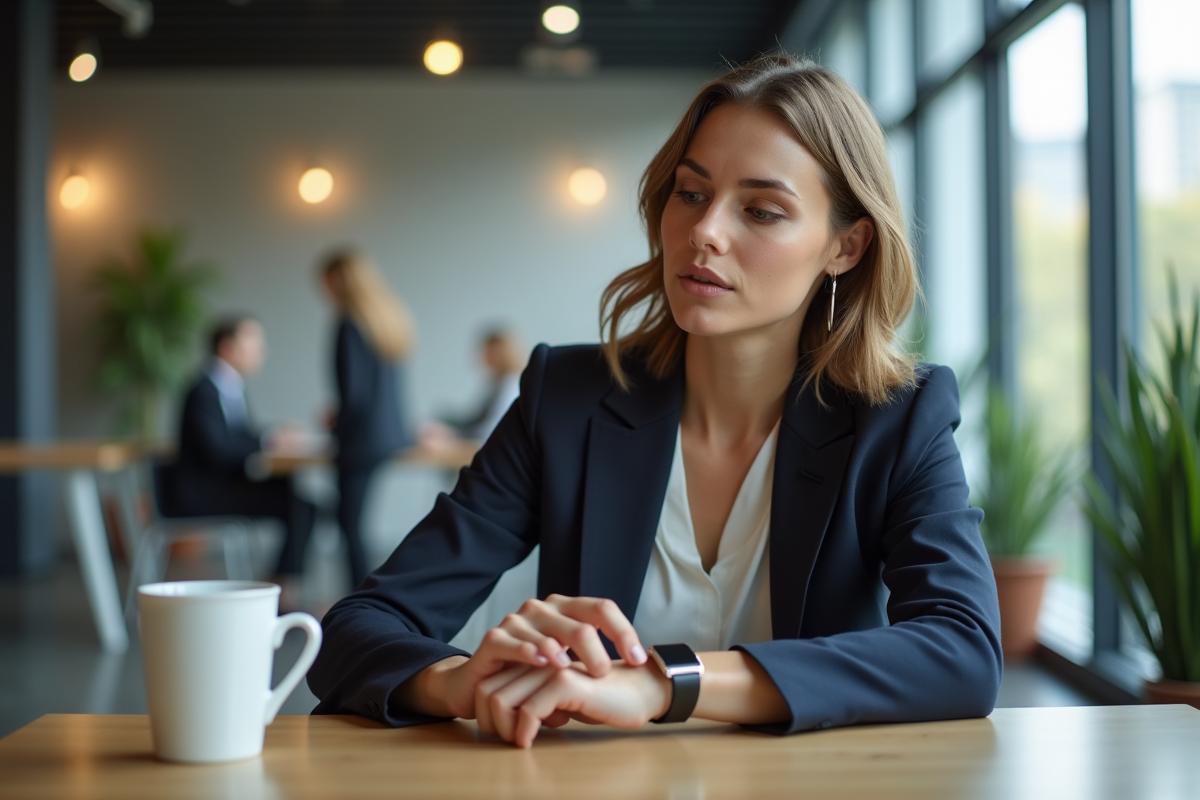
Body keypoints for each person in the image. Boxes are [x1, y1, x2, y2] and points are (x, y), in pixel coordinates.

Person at [307, 54, 1002, 748]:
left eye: (762, 210)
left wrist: (666, 683)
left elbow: (961, 649)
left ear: (846, 247)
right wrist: (458, 679)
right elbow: (360, 626)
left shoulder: (899, 417)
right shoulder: (568, 401)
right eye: (690, 194)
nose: (705, 232)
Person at [170, 316, 316, 601]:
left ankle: (279, 585)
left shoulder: (230, 387)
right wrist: (268, 440)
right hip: (201, 493)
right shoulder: (203, 391)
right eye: (253, 342)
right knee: (298, 505)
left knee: (296, 499)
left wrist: (274, 435)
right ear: (227, 347)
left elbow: (238, 436)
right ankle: (280, 590)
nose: (262, 350)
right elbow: (218, 449)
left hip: (223, 485)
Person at [319, 249, 416, 588]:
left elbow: (355, 395)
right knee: (355, 522)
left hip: (359, 442)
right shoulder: (385, 320)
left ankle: (357, 602)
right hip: (389, 436)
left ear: (337, 281)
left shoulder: (349, 323)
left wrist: (335, 428)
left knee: (349, 525)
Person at [420, 327, 526, 451]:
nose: (483, 356)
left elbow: (489, 430)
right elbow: (474, 420)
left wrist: (452, 437)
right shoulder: (495, 384)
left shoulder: (510, 386)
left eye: (489, 352)